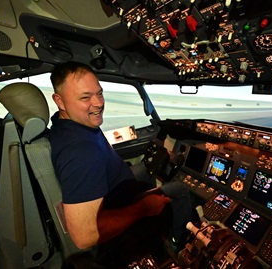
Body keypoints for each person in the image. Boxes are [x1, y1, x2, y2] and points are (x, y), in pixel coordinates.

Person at [49, 61, 192, 267]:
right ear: (60, 101)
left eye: (99, 93)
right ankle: (176, 250)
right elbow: (84, 237)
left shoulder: (70, 124)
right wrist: (143, 208)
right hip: (117, 220)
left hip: (115, 189)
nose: (98, 103)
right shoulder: (81, 153)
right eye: (85, 97)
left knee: (146, 167)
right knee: (180, 190)